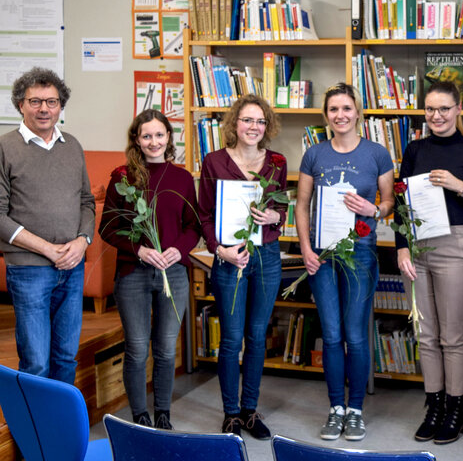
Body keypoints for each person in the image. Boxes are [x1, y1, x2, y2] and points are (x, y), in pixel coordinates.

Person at [396, 80, 463, 445]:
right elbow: (401, 202)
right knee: (426, 334)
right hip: (417, 246)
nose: (436, 116)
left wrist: (459, 186)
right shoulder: (414, 149)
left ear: (458, 109)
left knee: (452, 335)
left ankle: (456, 409)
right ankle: (434, 405)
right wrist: (402, 247)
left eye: (443, 109)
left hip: (454, 244)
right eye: (430, 109)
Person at [295, 83, 393, 441]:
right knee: (332, 335)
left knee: (355, 334)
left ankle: (355, 411)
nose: (340, 115)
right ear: (326, 116)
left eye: (346, 109)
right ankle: (335, 409)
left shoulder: (377, 154)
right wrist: (305, 248)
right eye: (333, 109)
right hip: (321, 255)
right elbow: (302, 205)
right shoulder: (314, 154)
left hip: (360, 254)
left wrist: (374, 210)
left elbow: (388, 203)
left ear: (357, 113)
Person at [99, 109, 199, 429]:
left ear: (169, 137)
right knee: (138, 348)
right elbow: (108, 227)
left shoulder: (182, 178)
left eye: (159, 135)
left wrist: (177, 250)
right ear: (136, 140)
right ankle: (140, 415)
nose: (153, 141)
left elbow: (192, 226)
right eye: (146, 136)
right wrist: (139, 248)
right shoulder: (122, 177)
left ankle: (163, 414)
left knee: (167, 349)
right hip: (133, 274)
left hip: (174, 273)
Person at [198, 94, 288, 439]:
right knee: (232, 339)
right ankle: (231, 414)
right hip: (229, 256)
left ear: (267, 127)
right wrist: (220, 250)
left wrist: (275, 216)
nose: (254, 127)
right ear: (235, 123)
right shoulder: (214, 161)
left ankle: (250, 410)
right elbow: (204, 214)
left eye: (260, 121)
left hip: (265, 256)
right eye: (248, 120)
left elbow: (282, 210)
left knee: (256, 336)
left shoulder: (277, 162)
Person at [0, 67, 95, 383]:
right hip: (29, 270)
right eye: (35, 101)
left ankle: (60, 430)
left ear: (61, 106)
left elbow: (86, 201)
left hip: (72, 267)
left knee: (65, 359)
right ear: (20, 105)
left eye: (52, 102)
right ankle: (34, 432)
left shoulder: (72, 145)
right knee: (36, 364)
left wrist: (82, 241)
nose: (44, 109)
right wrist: (48, 249)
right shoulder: (5, 148)